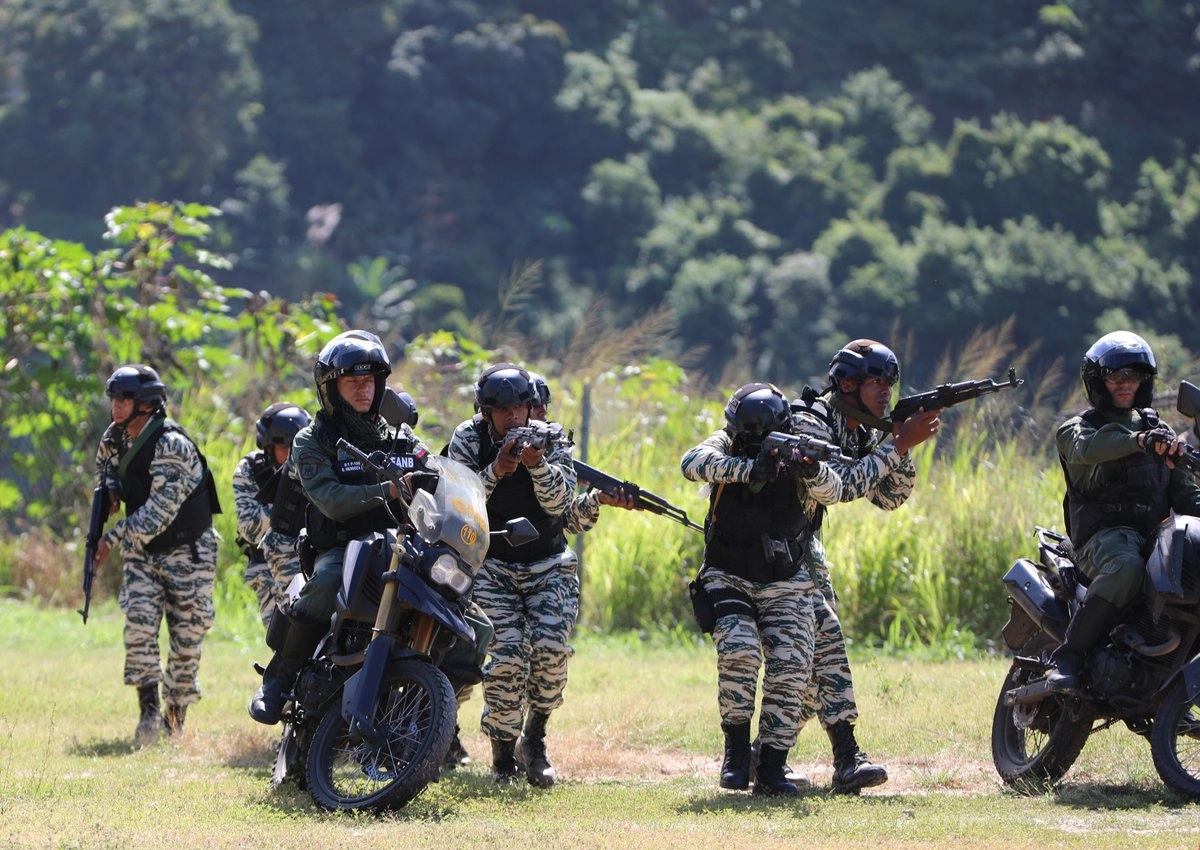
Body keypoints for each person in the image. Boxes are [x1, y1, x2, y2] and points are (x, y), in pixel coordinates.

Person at [248, 330, 429, 725]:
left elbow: (435, 472)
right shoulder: (313, 440)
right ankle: (278, 680)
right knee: (328, 583)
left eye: (369, 381)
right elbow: (328, 497)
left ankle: (438, 716)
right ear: (332, 389)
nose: (363, 390)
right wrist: (387, 489)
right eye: (352, 382)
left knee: (468, 615)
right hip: (343, 548)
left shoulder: (400, 434)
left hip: (401, 549)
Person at [789, 339, 940, 793]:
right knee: (826, 638)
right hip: (765, 546)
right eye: (877, 383)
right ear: (849, 384)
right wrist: (897, 443)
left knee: (813, 658)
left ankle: (767, 752)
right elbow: (836, 488)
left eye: (890, 384)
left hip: (801, 545)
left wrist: (901, 447)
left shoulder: (860, 430)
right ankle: (847, 757)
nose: (885, 393)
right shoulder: (809, 421)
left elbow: (889, 497)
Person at [679, 382, 825, 796]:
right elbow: (692, 462)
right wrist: (749, 468)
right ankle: (737, 755)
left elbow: (836, 487)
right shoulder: (726, 441)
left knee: (792, 664)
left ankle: (773, 764)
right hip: (728, 573)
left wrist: (808, 468)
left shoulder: (802, 449)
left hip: (786, 580)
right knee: (739, 649)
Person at [445, 364, 578, 788]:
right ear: (486, 413)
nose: (512, 419)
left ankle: (534, 738)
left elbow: (561, 504)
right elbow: (457, 501)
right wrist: (495, 472)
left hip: (548, 565)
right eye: (501, 411)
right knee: (504, 658)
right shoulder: (468, 438)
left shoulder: (551, 436)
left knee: (551, 650)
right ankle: (503, 756)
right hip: (491, 565)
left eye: (518, 409)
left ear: (529, 408)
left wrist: (537, 465)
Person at [1047, 330, 1200, 694]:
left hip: (1152, 540)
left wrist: (1171, 454)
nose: (1126, 384)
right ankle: (1067, 656)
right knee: (1127, 568)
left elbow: (1188, 500)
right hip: (1101, 540)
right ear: (1099, 382)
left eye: (1134, 377)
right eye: (1116, 377)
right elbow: (1088, 450)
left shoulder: (1159, 432)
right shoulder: (1077, 429)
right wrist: (1139, 442)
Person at [94, 364, 221, 745]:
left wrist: (111, 537)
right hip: (143, 554)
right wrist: (112, 489)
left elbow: (157, 514)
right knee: (138, 626)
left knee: (186, 640)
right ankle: (148, 713)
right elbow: (104, 470)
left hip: (189, 552)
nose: (116, 406)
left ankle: (174, 718)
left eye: (125, 399)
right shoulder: (115, 438)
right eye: (114, 398)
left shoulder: (172, 445)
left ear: (146, 404)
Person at [232, 402, 311, 628]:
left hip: (310, 558)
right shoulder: (250, 470)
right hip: (266, 566)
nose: (292, 457)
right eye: (285, 449)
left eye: (297, 448)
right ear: (268, 447)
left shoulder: (315, 468)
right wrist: (288, 501)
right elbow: (249, 528)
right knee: (283, 634)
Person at [528, 371, 638, 532]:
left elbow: (565, 523)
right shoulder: (486, 453)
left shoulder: (554, 451)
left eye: (545, 404)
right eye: (535, 404)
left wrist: (597, 499)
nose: (544, 411)